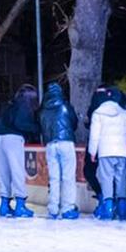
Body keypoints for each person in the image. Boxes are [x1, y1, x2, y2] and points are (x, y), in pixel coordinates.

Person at [88, 92, 126, 221]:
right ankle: (122, 209)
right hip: (121, 151)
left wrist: (92, 152)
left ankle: (108, 209)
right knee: (121, 179)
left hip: (105, 152)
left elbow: (94, 135)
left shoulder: (98, 114)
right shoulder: (124, 113)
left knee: (106, 179)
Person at [0, 84, 40, 218]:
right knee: (17, 171)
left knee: (4, 173)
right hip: (13, 138)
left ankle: (4, 205)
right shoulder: (23, 106)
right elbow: (20, 124)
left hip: (1, 138)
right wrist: (36, 128)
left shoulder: (10, 105)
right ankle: (20, 205)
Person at [39, 81, 80, 219]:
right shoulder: (65, 106)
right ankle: (67, 208)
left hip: (50, 144)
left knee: (54, 178)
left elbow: (40, 126)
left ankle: (53, 208)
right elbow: (74, 122)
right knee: (68, 177)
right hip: (65, 142)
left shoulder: (43, 109)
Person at [84, 84, 126, 203]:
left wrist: (92, 151)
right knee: (115, 176)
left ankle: (106, 201)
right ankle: (116, 203)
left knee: (97, 173)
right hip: (117, 146)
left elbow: (93, 130)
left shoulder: (97, 106)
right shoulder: (119, 102)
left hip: (102, 145)